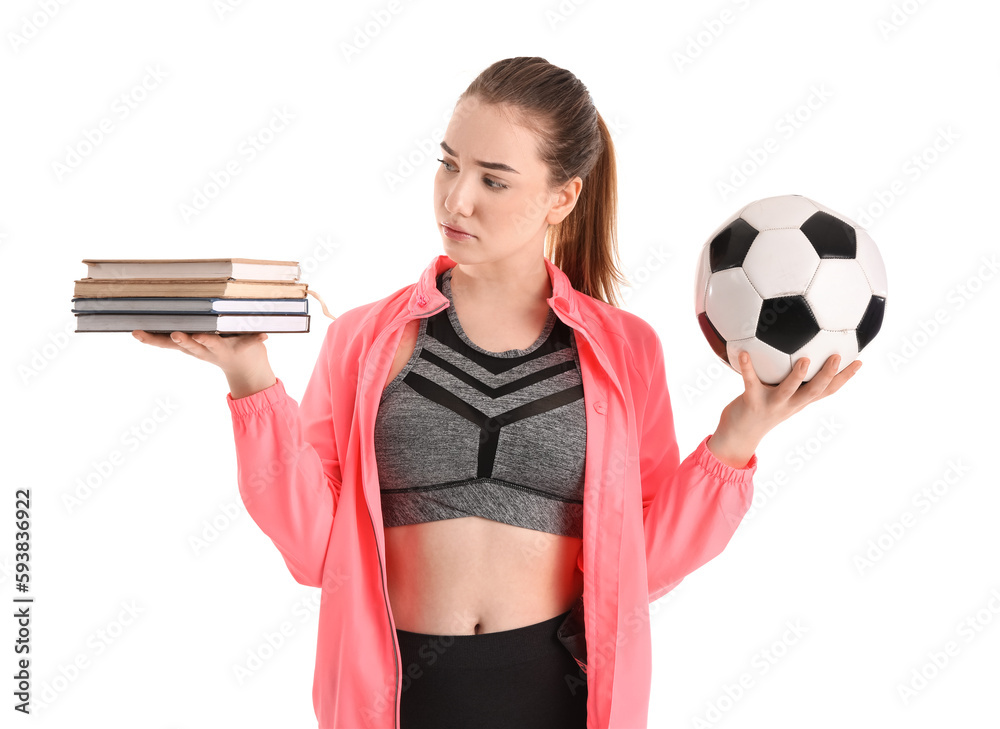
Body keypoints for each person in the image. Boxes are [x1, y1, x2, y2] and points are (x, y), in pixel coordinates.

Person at [133, 57, 860, 729]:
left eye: (493, 178)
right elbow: (318, 550)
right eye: (447, 165)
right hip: (393, 698)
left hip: (552, 695)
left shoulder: (621, 348)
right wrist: (250, 380)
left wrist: (736, 439)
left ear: (561, 196)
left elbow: (640, 564)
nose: (457, 198)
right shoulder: (362, 339)